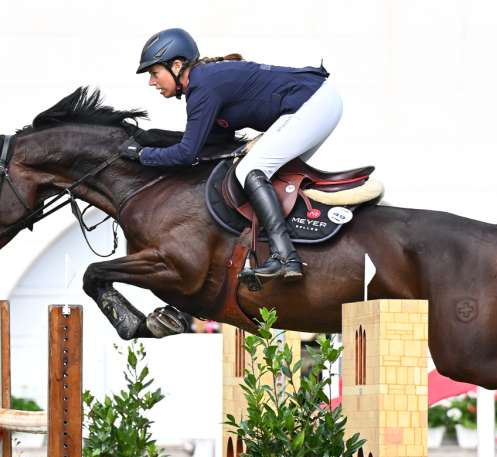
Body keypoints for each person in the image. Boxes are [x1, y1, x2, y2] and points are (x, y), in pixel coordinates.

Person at [122, 28, 344, 280]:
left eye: (154, 73)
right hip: (318, 102)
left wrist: (142, 155)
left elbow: (186, 153)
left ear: (176, 65)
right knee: (267, 174)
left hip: (313, 103)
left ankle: (285, 256)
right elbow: (211, 147)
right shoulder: (204, 83)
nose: (152, 82)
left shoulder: (202, 85)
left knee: (251, 170)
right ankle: (294, 247)